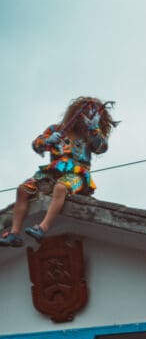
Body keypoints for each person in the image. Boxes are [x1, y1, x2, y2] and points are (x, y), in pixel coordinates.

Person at [1, 97, 117, 246]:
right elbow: (36, 144)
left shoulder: (91, 135)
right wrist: (47, 141)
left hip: (77, 174)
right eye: (83, 113)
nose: (85, 117)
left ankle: (43, 228)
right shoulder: (56, 130)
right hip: (52, 172)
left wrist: (94, 129)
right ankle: (14, 233)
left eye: (91, 114)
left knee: (61, 188)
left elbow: (101, 148)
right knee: (23, 189)